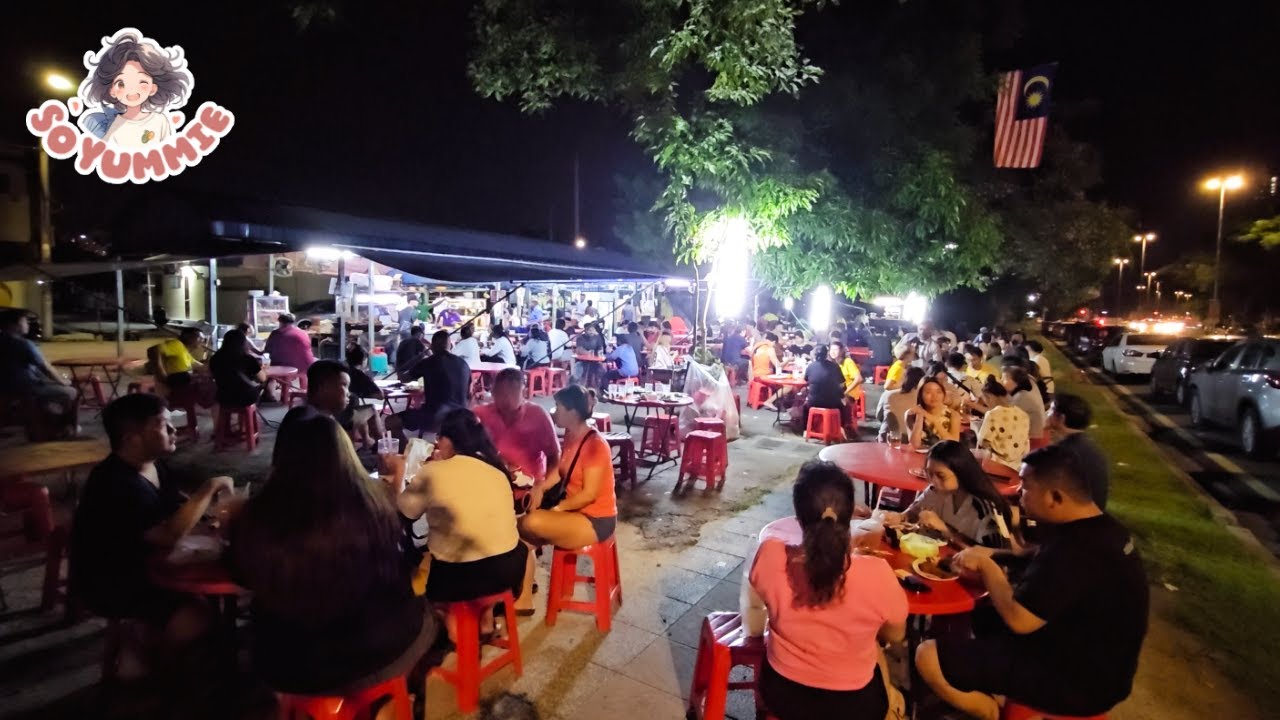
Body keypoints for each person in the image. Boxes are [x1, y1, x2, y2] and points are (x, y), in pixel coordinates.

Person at [915, 445, 1148, 719]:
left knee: (926, 655)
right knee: (981, 617)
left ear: (1055, 497)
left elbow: (1019, 620)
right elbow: (1032, 555)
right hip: (1094, 658)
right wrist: (987, 553)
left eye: (1025, 487)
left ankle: (992, 713)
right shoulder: (1100, 528)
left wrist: (989, 568)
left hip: (1075, 680)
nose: (1017, 493)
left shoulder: (1076, 551)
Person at [228, 410, 436, 696]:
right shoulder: (375, 504)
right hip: (381, 646)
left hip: (290, 663)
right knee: (422, 609)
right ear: (345, 452)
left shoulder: (256, 515)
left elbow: (241, 575)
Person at [69, 394, 233, 672]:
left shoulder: (153, 465)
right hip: (112, 579)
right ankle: (144, 648)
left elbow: (177, 506)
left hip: (150, 562)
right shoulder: (115, 482)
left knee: (213, 596)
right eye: (162, 425)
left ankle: (176, 646)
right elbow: (167, 535)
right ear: (131, 438)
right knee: (198, 618)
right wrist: (208, 489)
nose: (173, 430)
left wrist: (210, 519)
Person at [742, 462, 907, 719]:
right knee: (875, 650)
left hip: (782, 694)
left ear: (797, 516)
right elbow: (896, 634)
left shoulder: (770, 556)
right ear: (851, 513)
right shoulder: (878, 573)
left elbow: (762, 601)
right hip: (853, 706)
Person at [397, 408, 529, 632]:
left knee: (422, 560)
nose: (437, 444)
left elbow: (404, 513)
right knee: (476, 546)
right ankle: (485, 617)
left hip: (463, 578)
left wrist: (398, 473)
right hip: (510, 568)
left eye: (439, 439)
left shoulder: (433, 472)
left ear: (447, 440)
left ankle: (455, 628)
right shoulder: (496, 469)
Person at [519, 385, 617, 548]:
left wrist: (557, 510)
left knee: (531, 522)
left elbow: (589, 495)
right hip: (573, 511)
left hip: (595, 520)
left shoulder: (596, 445)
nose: (553, 411)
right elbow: (561, 470)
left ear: (572, 412)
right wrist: (540, 488)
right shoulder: (571, 434)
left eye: (558, 407)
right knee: (522, 540)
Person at [878, 440, 1015, 548]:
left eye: (940, 475)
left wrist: (946, 529)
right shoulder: (935, 491)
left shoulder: (986, 507)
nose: (933, 480)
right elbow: (910, 515)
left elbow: (998, 556)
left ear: (961, 472)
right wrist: (898, 518)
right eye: (929, 473)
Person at [0, 309, 78, 439]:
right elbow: (45, 367)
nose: (27, 324)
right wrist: (63, 381)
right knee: (71, 392)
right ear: (13, 324)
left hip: (5, 387)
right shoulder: (24, 344)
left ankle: (38, 423)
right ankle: (63, 428)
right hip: (26, 387)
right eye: (24, 321)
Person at [398, 331, 472, 435]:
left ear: (432, 347)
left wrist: (402, 368)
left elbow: (404, 379)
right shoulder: (464, 364)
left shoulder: (428, 362)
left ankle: (405, 450)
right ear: (450, 346)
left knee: (391, 422)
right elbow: (469, 393)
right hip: (461, 416)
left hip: (436, 416)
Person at [1047, 393, 1110, 509]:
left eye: (1050, 409)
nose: (1047, 413)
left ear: (1061, 418)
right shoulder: (1091, 448)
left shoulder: (1063, 453)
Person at [973, 377, 1031, 471]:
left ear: (989, 397)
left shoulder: (993, 414)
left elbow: (983, 443)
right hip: (1018, 467)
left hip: (996, 466)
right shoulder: (1023, 414)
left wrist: (976, 429)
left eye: (984, 400)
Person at [209, 328, 266, 409]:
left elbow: (212, 375)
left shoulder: (215, 358)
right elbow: (262, 378)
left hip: (223, 397)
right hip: (245, 398)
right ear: (243, 343)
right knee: (260, 386)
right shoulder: (248, 359)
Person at [802, 343, 849, 436]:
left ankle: (805, 430)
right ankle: (841, 428)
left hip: (814, 402)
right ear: (826, 354)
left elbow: (806, 380)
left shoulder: (811, 366)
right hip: (832, 403)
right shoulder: (835, 367)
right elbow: (842, 384)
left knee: (805, 407)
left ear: (815, 354)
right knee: (843, 407)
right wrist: (842, 395)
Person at [904, 377, 962, 448]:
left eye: (938, 392)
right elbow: (915, 445)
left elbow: (954, 445)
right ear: (920, 395)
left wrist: (934, 420)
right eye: (928, 392)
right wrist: (920, 415)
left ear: (944, 394)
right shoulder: (912, 414)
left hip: (944, 457)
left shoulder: (953, 415)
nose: (934, 396)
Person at [876, 366, 926, 442]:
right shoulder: (923, 398)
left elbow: (879, 416)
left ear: (904, 379)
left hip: (887, 436)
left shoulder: (888, 394)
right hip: (911, 439)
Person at [153, 326, 206, 394]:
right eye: (200, 338)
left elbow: (202, 367)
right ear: (187, 337)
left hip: (178, 391)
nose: (202, 341)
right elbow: (154, 349)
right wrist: (161, 374)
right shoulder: (177, 344)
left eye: (203, 339)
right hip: (169, 392)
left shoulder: (186, 354)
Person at [1004, 365, 1047, 442]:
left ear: (1015, 382)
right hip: (1034, 435)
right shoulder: (1024, 391)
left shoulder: (1021, 397)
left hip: (1034, 440)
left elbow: (1004, 419)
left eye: (1005, 379)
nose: (1002, 382)